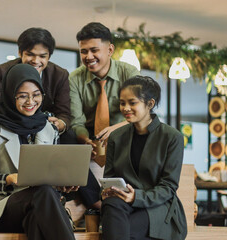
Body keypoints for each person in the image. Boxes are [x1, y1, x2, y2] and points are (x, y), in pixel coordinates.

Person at [0, 64, 77, 239]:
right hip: (3, 207)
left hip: (40, 205)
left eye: (36, 95)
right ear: (9, 95)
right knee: (43, 193)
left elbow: (51, 174)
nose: (30, 102)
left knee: (36, 218)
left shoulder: (49, 129)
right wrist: (9, 178)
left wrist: (61, 183)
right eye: (22, 96)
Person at [101, 75, 187, 240]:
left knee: (123, 231)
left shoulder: (172, 137)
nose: (126, 108)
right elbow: (110, 177)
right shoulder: (116, 137)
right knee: (111, 204)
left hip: (159, 207)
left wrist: (136, 197)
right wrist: (106, 191)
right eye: (122, 102)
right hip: (122, 204)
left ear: (150, 104)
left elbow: (168, 187)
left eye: (132, 103)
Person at [69, 22, 140, 210]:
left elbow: (139, 114)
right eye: (83, 51)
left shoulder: (129, 73)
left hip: (125, 133)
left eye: (94, 50)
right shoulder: (74, 78)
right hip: (91, 137)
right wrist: (85, 140)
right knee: (67, 136)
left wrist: (116, 129)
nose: (88, 57)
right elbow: (76, 120)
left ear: (110, 50)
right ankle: (95, 203)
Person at [0, 27, 75, 143]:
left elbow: (64, 113)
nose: (36, 61)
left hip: (45, 125)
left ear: (49, 57)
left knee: (70, 136)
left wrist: (60, 123)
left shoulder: (59, 75)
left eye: (42, 56)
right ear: (20, 53)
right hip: (13, 122)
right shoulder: (2, 71)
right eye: (30, 54)